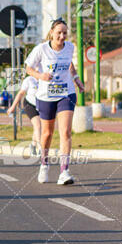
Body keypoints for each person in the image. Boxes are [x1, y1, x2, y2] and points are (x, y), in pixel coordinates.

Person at [25, 17, 85, 184]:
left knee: (65, 132)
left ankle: (64, 172)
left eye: (65, 33)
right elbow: (28, 68)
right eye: (59, 33)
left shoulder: (70, 47)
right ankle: (44, 164)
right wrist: (41, 76)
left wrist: (76, 78)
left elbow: (69, 64)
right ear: (51, 33)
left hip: (66, 93)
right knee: (47, 133)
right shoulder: (41, 49)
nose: (62, 36)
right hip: (45, 96)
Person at [7, 75, 41, 155]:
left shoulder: (44, 78)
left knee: (37, 127)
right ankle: (41, 148)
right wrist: (13, 107)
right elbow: (21, 93)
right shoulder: (29, 79)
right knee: (38, 125)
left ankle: (33, 145)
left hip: (41, 104)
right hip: (29, 104)